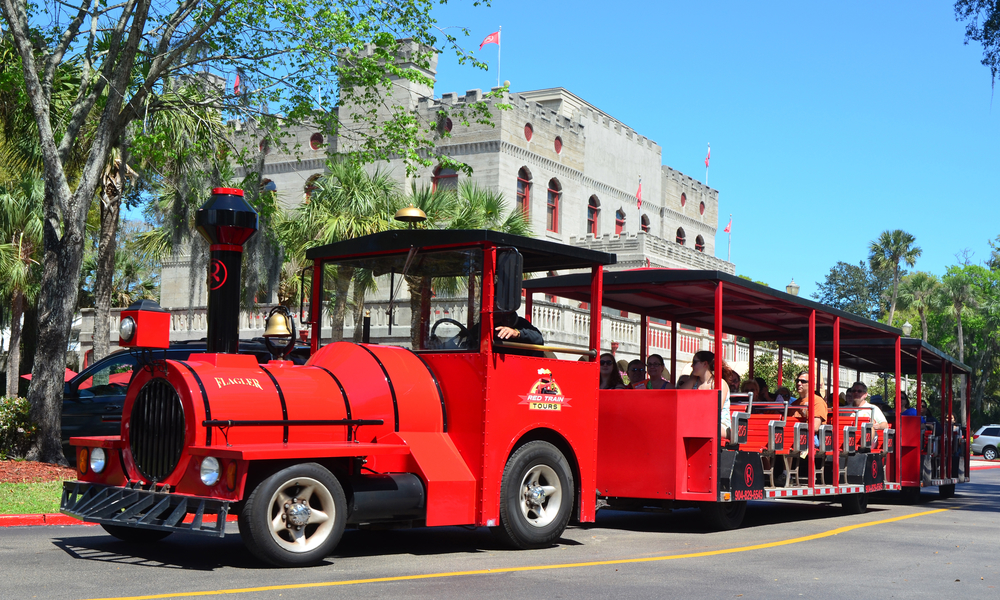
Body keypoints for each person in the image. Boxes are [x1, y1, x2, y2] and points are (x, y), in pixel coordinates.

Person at [679, 350, 732, 439]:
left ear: (705, 364)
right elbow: (679, 396)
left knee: (704, 428)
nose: (692, 366)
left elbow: (717, 408)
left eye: (695, 362)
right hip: (697, 423)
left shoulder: (719, 383)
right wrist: (692, 377)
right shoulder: (694, 382)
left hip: (721, 425)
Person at [466, 310, 544, 356]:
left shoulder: (520, 323)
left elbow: (538, 338)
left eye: (496, 299)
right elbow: (465, 340)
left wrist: (517, 333)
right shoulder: (480, 326)